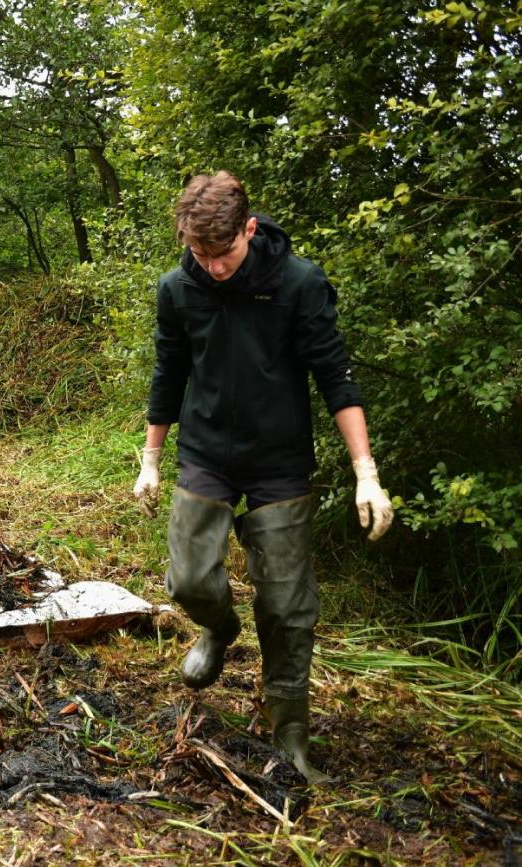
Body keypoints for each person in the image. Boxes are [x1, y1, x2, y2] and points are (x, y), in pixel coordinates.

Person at [132, 171, 393, 783]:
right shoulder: (177, 288)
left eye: (223, 254)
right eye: (201, 255)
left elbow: (336, 376)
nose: (215, 268)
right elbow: (169, 371)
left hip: (279, 459)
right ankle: (219, 630)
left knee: (285, 601)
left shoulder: (298, 283)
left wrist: (366, 472)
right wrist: (150, 456)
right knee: (190, 576)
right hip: (205, 452)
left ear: (249, 229)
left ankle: (291, 735)